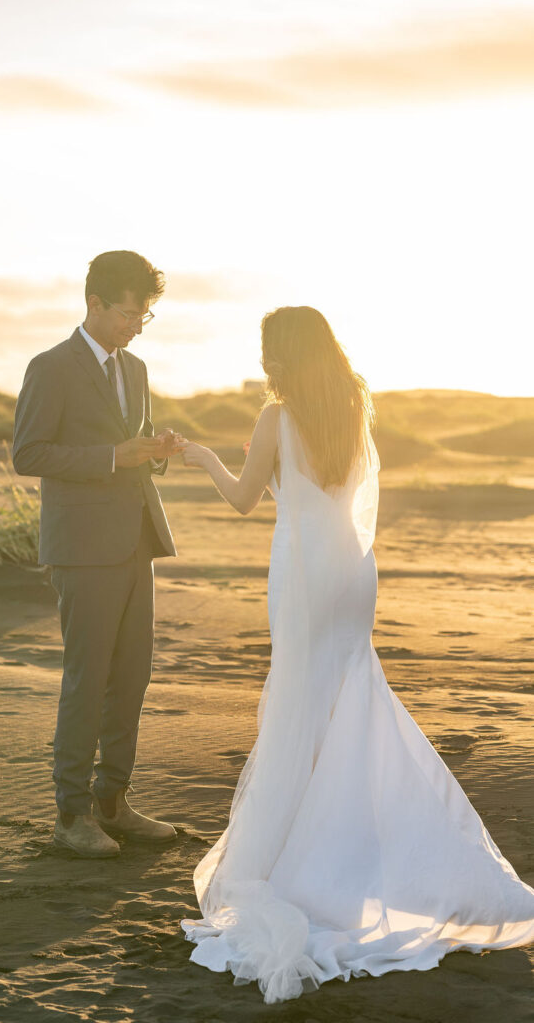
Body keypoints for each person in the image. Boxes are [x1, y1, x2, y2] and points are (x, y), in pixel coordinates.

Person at [179, 306, 534, 1003]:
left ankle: (302, 854)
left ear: (279, 352)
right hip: (350, 568)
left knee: (299, 702)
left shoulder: (275, 417)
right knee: (348, 695)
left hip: (305, 571)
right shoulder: (351, 400)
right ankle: (354, 835)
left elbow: (245, 499)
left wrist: (199, 457)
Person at [13, 250, 184, 858]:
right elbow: (28, 454)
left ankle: (114, 802)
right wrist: (115, 456)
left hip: (136, 539)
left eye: (145, 315)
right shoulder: (51, 367)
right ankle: (71, 815)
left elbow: (134, 448)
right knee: (87, 680)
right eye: (129, 313)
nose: (136, 324)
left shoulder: (134, 370)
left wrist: (154, 449)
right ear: (94, 303)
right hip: (82, 549)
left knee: (132, 675)